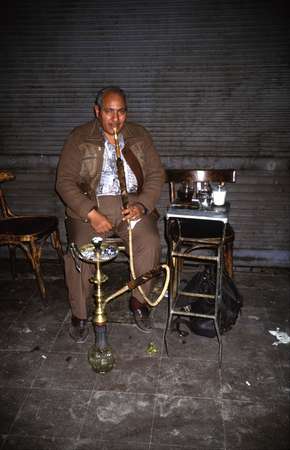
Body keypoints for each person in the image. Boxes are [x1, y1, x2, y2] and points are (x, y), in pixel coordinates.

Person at [56, 86, 165, 343]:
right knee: (81, 250)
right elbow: (64, 182)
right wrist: (91, 214)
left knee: (149, 243)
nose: (115, 119)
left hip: (131, 207)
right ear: (97, 111)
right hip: (89, 208)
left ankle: (140, 303)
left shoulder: (140, 135)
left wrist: (142, 205)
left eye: (121, 112)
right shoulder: (79, 137)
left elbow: (156, 175)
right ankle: (80, 315)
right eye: (109, 112)